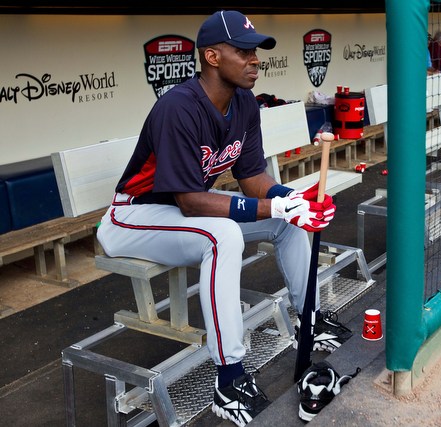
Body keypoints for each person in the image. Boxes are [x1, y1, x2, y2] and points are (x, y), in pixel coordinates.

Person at [96, 10, 351, 426]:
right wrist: (273, 206)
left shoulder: (245, 104)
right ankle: (229, 378)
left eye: (256, 51)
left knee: (285, 220)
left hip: (180, 210)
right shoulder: (178, 107)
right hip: (132, 216)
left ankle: (310, 318)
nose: (255, 59)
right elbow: (192, 202)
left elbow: (251, 178)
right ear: (212, 57)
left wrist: (294, 200)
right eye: (243, 51)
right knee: (223, 235)